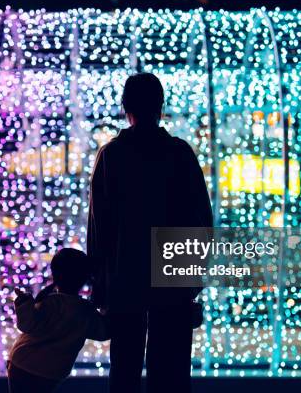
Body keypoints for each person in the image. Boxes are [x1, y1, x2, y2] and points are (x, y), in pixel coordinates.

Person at [88, 73, 213, 393]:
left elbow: (99, 227)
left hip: (125, 277)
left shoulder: (112, 156)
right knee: (170, 375)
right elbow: (202, 222)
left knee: (124, 373)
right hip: (172, 279)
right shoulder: (180, 154)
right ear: (161, 106)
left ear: (124, 107)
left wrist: (100, 284)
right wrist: (192, 280)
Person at [8, 248, 109, 393]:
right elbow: (103, 332)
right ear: (85, 278)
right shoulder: (85, 312)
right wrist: (108, 306)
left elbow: (26, 325)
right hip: (51, 373)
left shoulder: (49, 302)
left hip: (23, 363)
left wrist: (24, 305)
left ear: (54, 274)